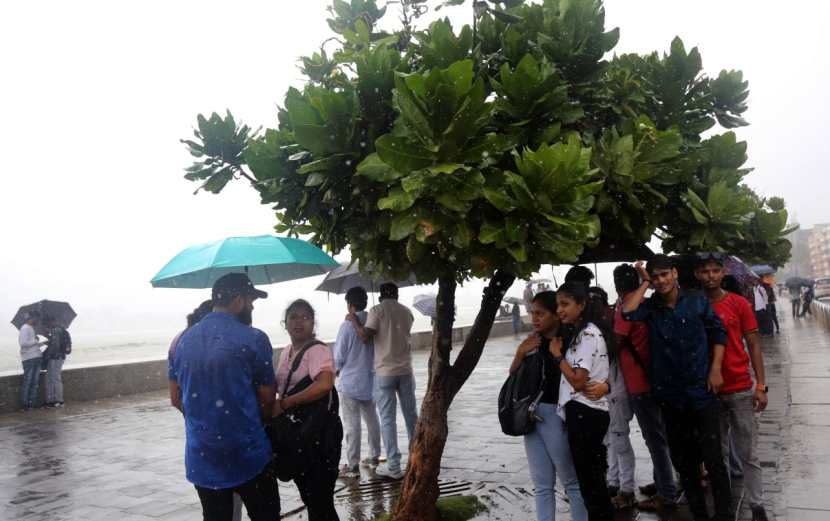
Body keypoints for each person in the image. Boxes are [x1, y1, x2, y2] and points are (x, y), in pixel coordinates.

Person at [622, 255, 733, 521]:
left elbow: (718, 333)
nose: (661, 281)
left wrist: (716, 368)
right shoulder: (650, 308)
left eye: (664, 275)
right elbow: (627, 312)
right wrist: (644, 283)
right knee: (685, 463)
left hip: (701, 391)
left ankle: (726, 515)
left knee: (714, 460)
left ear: (674, 273)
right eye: (655, 277)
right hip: (670, 397)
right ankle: (699, 514)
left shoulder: (696, 301)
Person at [168, 273, 280, 521]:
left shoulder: (182, 341)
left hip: (203, 456)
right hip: (248, 452)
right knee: (266, 515)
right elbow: (267, 397)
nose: (252, 306)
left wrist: (204, 421)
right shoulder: (254, 338)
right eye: (251, 300)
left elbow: (176, 398)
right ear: (238, 300)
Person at [695, 254, 769, 521]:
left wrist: (761, 385)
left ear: (723, 272)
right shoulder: (693, 305)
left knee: (748, 451)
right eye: (705, 271)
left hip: (740, 387)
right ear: (697, 274)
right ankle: (725, 508)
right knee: (718, 455)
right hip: (708, 391)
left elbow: (754, 345)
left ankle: (757, 504)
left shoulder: (738, 303)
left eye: (715, 270)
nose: (711, 276)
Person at [510, 291, 588, 521]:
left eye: (541, 314)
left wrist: (557, 355)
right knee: (542, 484)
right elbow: (513, 379)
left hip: (559, 414)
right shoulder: (532, 342)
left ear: (556, 315)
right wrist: (520, 353)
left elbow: (581, 378)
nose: (535, 319)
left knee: (571, 482)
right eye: (533, 313)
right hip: (533, 417)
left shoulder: (570, 340)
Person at [611, 264, 677, 513]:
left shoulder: (626, 306)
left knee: (655, 440)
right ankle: (663, 482)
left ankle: (667, 493)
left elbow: (615, 342)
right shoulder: (646, 303)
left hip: (640, 383)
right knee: (661, 436)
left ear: (617, 286)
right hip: (655, 378)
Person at [550, 282, 614, 521]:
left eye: (565, 304)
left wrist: (557, 355)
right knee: (593, 480)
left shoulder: (587, 334)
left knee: (591, 482)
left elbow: (578, 380)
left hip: (585, 412)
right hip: (586, 411)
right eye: (558, 305)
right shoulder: (583, 331)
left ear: (582, 305)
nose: (559, 310)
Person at [274, 299, 342, 521]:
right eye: (293, 316)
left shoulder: (318, 351)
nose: (299, 322)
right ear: (285, 323)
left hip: (320, 435)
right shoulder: (287, 351)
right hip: (301, 434)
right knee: (311, 498)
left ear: (313, 322)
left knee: (320, 500)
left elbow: (324, 385)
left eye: (305, 317)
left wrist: (286, 403)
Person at [350, 282, 417, 480]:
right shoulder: (407, 312)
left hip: (385, 372)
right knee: (411, 416)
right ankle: (417, 460)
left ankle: (394, 467)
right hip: (405, 369)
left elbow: (365, 336)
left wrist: (354, 321)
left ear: (380, 295)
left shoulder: (377, 310)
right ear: (396, 294)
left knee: (388, 419)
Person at [335, 287, 381, 478]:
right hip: (370, 380)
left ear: (350, 305)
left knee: (352, 424)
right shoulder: (374, 323)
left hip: (350, 382)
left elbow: (339, 356)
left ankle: (353, 465)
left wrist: (335, 370)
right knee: (372, 420)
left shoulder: (347, 326)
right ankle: (374, 456)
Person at [18, 311, 46, 411]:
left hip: (35, 357)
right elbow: (23, 343)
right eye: (36, 318)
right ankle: (25, 404)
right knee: (28, 381)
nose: (37, 320)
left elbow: (31, 344)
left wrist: (41, 344)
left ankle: (31, 404)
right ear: (32, 318)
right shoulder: (25, 328)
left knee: (34, 382)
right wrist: (36, 341)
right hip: (29, 359)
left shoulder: (31, 328)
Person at [43, 316, 72, 408]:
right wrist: (48, 337)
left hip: (54, 358)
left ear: (51, 322)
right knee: (56, 378)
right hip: (61, 357)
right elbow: (59, 344)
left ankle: (54, 400)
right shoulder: (62, 330)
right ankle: (58, 400)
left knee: (52, 378)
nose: (46, 326)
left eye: (47, 324)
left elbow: (55, 347)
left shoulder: (55, 331)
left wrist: (47, 356)